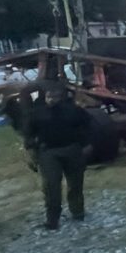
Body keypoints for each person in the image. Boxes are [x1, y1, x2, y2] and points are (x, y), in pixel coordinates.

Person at [24, 82, 91, 230]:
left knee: (75, 184)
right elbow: (28, 134)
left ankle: (78, 212)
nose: (52, 99)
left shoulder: (73, 110)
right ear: (45, 97)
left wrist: (87, 144)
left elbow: (87, 125)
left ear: (61, 97)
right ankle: (52, 219)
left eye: (55, 96)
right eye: (49, 96)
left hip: (72, 149)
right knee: (51, 186)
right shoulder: (37, 113)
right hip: (48, 152)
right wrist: (30, 153)